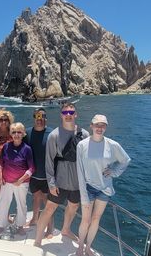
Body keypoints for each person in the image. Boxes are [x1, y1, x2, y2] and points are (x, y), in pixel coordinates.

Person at [34, 102, 89, 247]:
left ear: (75, 114)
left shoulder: (84, 134)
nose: (68, 115)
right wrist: (51, 183)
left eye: (71, 112)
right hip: (59, 182)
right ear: (61, 115)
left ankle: (65, 229)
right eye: (65, 113)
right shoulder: (54, 135)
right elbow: (49, 161)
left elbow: (88, 160)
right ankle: (38, 240)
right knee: (49, 209)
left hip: (77, 183)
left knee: (73, 207)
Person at [75, 114, 130, 256]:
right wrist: (83, 194)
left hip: (104, 189)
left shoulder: (112, 145)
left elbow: (125, 160)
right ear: (91, 126)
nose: (100, 128)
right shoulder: (82, 145)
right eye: (97, 125)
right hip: (88, 188)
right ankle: (80, 247)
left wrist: (114, 171)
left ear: (106, 127)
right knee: (85, 220)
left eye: (103, 125)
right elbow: (80, 171)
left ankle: (88, 248)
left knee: (95, 219)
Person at [0, 122, 35, 236]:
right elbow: (1, 162)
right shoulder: (6, 146)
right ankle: (1, 225)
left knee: (21, 205)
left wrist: (21, 180)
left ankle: (20, 226)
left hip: (21, 183)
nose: (16, 134)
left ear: (23, 134)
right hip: (6, 181)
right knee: (3, 203)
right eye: (14, 132)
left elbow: (32, 168)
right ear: (11, 134)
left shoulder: (27, 149)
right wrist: (1, 175)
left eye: (19, 132)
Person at [23, 108, 54, 237]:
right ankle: (35, 219)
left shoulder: (52, 134)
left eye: (42, 116)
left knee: (48, 203)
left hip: (48, 176)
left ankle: (50, 228)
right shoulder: (28, 133)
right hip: (34, 175)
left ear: (45, 118)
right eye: (37, 116)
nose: (39, 119)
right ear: (34, 117)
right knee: (36, 198)